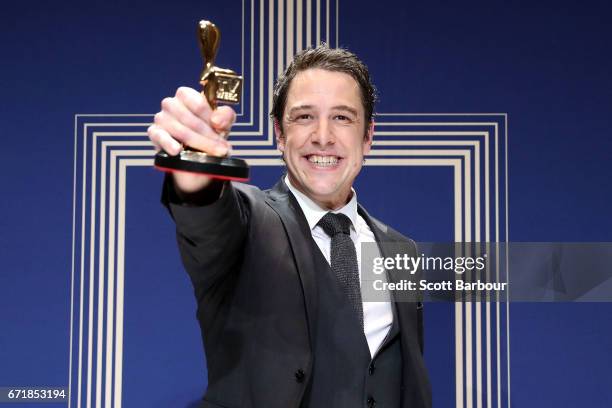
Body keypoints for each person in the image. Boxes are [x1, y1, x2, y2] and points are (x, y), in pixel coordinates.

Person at [148, 44, 431, 408]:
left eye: (343, 118)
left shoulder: (401, 250)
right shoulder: (249, 224)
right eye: (304, 117)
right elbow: (208, 220)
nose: (323, 136)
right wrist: (196, 169)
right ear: (280, 135)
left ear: (368, 137)